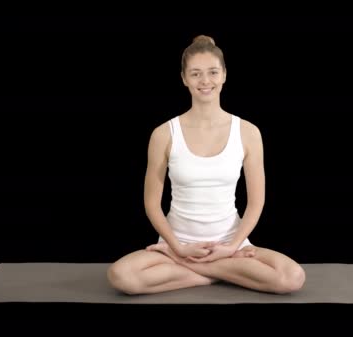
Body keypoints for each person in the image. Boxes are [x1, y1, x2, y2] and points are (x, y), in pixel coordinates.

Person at [107, 35, 305, 295]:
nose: (205, 81)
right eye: (196, 74)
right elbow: (152, 204)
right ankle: (221, 274)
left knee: (292, 277)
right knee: (121, 276)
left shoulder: (248, 132)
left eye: (213, 72)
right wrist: (178, 248)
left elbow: (256, 202)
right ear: (184, 78)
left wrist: (232, 246)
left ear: (224, 74)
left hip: (231, 245)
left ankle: (193, 269)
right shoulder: (164, 134)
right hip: (178, 244)